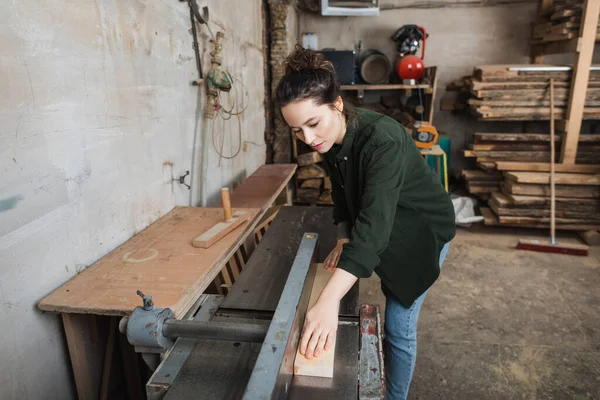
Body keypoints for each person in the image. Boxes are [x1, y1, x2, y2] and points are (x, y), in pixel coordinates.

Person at [275, 45, 456, 400]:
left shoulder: (382, 140)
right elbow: (343, 196)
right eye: (297, 131)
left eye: (313, 123)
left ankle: (395, 398)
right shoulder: (332, 141)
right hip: (388, 222)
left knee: (398, 325)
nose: (309, 139)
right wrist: (344, 235)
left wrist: (326, 304)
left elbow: (373, 232)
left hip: (420, 230)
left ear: (337, 105)